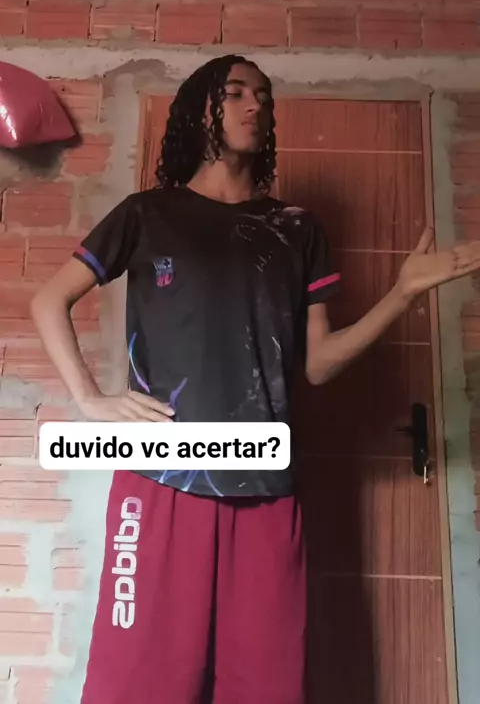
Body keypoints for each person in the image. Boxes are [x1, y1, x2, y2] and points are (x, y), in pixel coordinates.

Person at [31, 54, 480, 704]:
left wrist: (402, 294)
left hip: (266, 488)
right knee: (139, 683)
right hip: (160, 478)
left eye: (264, 97)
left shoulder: (296, 229)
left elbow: (319, 364)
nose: (255, 106)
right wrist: (90, 400)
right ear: (202, 111)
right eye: (237, 93)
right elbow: (49, 301)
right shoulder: (147, 213)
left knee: (267, 686)